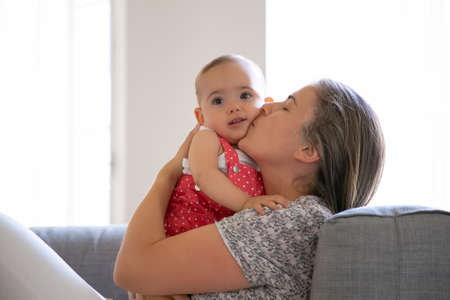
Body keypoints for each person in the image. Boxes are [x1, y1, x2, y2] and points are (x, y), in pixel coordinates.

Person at [114, 79, 385, 299]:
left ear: (308, 149)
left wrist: (169, 172)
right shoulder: (257, 206)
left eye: (286, 106)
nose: (267, 106)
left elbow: (130, 269)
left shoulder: (293, 221)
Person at [165, 54, 288, 238]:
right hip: (189, 232)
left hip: (228, 239)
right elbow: (204, 175)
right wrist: (245, 202)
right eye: (218, 101)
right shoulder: (208, 138)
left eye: (245, 95)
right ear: (201, 117)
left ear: (266, 105)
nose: (233, 107)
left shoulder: (260, 151)